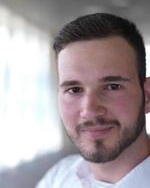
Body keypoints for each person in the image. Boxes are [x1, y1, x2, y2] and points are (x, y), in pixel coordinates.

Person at [36, 13, 150, 188]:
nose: (89, 110)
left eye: (112, 86)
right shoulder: (60, 176)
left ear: (147, 95)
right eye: (74, 90)